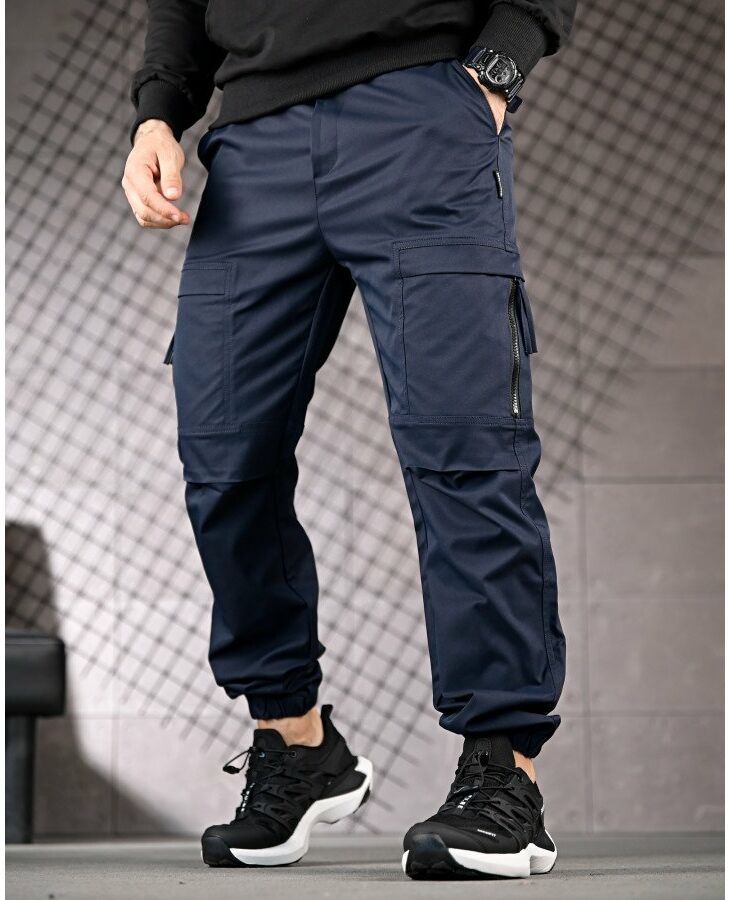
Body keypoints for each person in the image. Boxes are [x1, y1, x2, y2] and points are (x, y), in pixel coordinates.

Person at [123, 0, 575, 880]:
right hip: (253, 146)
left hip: (420, 113)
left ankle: (504, 772)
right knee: (224, 458)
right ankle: (296, 744)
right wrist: (157, 114)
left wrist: (494, 73)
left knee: (464, 452)